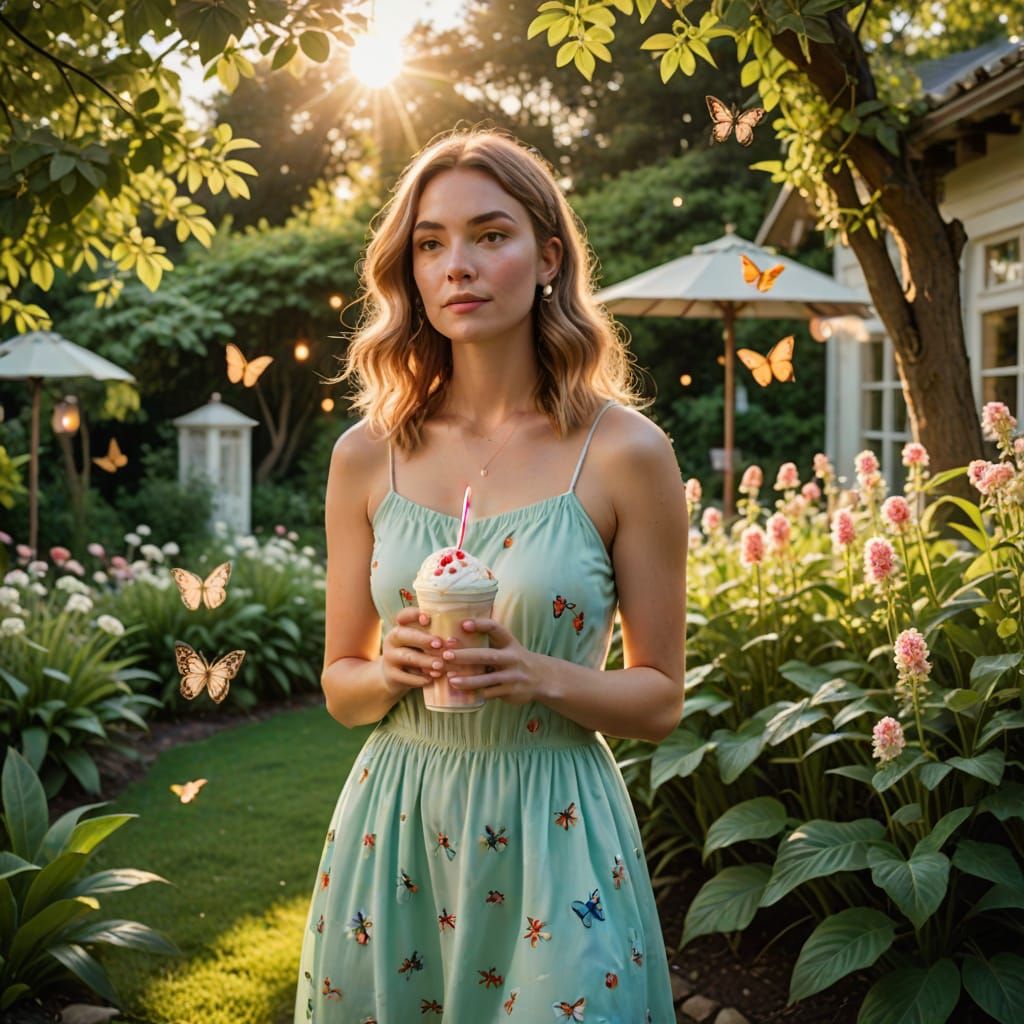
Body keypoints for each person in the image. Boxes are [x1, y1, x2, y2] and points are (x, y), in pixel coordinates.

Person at [294, 127, 688, 1023]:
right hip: (396, 827)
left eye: (490, 235)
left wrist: (539, 673)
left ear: (549, 257)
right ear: (410, 272)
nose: (456, 265)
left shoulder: (625, 453)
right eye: (430, 244)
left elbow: (660, 699)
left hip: (557, 833)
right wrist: (386, 670)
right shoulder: (367, 456)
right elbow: (341, 686)